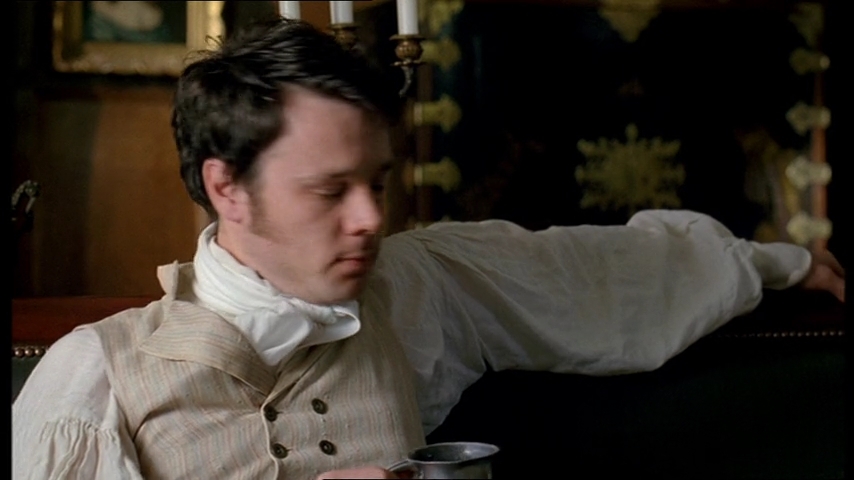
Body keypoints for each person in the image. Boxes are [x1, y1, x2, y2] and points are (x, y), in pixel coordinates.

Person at [12, 18, 845, 480]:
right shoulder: (95, 375)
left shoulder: (410, 288)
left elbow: (589, 274)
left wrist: (775, 263)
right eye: (331, 190)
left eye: (377, 181)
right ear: (227, 186)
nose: (372, 217)